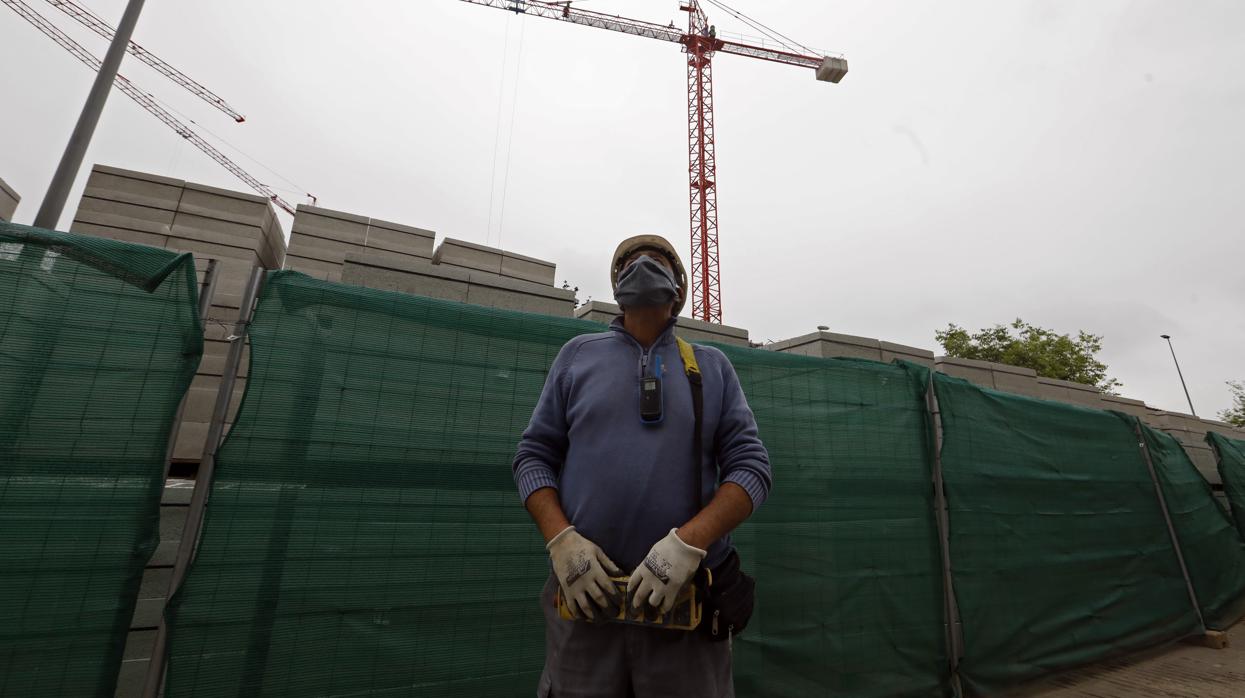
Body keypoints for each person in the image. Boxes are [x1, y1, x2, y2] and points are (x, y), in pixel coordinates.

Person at [513, 235, 772, 697]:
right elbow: (533, 456)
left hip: (686, 610)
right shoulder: (576, 357)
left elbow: (751, 468)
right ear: (616, 289)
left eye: (659, 261)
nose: (644, 264)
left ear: (678, 291)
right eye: (630, 262)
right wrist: (561, 540)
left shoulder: (711, 368)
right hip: (586, 602)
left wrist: (688, 545)